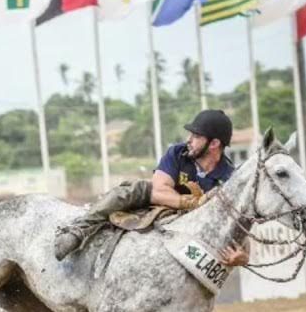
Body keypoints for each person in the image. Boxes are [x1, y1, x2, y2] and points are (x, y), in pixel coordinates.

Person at [52, 109, 250, 266]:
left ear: (214, 143)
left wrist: (244, 256)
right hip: (165, 206)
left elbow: (235, 222)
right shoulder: (177, 152)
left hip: (194, 231)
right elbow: (158, 189)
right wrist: (195, 202)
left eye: (196, 136)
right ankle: (79, 230)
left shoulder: (229, 177)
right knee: (133, 189)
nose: (189, 139)